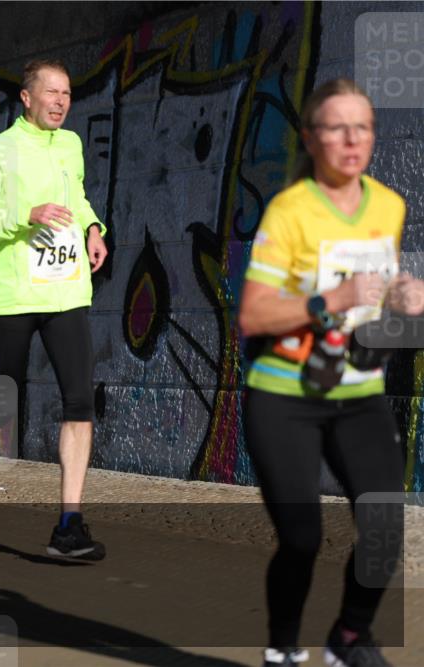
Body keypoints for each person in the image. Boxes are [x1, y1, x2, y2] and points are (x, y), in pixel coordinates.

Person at [239, 78, 424, 667]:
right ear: (311, 139)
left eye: (363, 127)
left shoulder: (389, 206)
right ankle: (284, 652)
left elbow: (372, 302)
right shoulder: (289, 212)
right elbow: (252, 315)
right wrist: (330, 301)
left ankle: (349, 636)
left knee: (386, 528)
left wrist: (399, 297)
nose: (352, 139)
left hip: (356, 392)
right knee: (302, 539)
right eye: (337, 127)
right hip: (283, 394)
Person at [0, 59, 108, 559]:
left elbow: (78, 199)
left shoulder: (70, 145)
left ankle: (70, 523)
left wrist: (92, 230)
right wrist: (26, 217)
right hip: (12, 294)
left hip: (65, 290)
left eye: (67, 93)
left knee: (80, 401)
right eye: (52, 93)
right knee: (3, 404)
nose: (61, 101)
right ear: (27, 98)